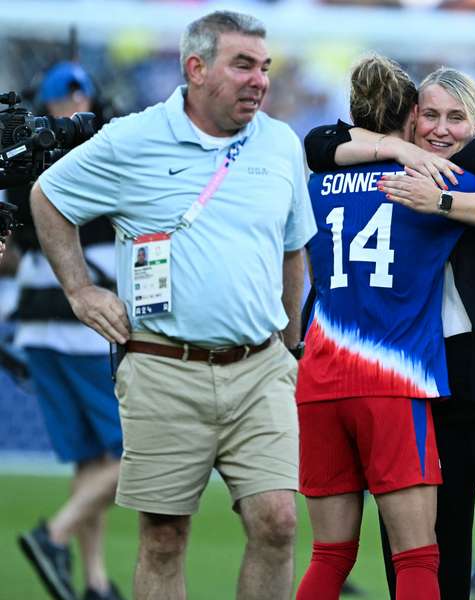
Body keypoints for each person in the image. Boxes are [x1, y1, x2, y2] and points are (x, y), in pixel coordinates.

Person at [29, 11, 314, 600]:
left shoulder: (282, 143)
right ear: (197, 68)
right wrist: (80, 289)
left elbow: (293, 252)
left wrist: (289, 349)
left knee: (278, 521)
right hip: (162, 365)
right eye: (242, 66)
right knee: (163, 537)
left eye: (264, 67)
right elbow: (48, 195)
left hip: (261, 369)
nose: (259, 80)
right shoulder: (133, 137)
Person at [305, 66, 475, 600]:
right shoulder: (391, 169)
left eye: (456, 117)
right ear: (409, 120)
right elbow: (319, 143)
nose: (441, 129)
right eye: (429, 115)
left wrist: (442, 202)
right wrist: (406, 156)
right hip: (425, 386)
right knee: (427, 555)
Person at [295, 53, 475, 600]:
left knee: (329, 556)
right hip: (392, 385)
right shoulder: (429, 181)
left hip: (320, 381)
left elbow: (320, 145)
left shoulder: (314, 185)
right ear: (409, 122)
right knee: (418, 558)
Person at [12, 61, 124, 600]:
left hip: (37, 326)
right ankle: (53, 536)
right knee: (132, 454)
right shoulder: (100, 148)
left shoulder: (22, 156)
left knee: (91, 460)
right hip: (83, 326)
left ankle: (95, 581)